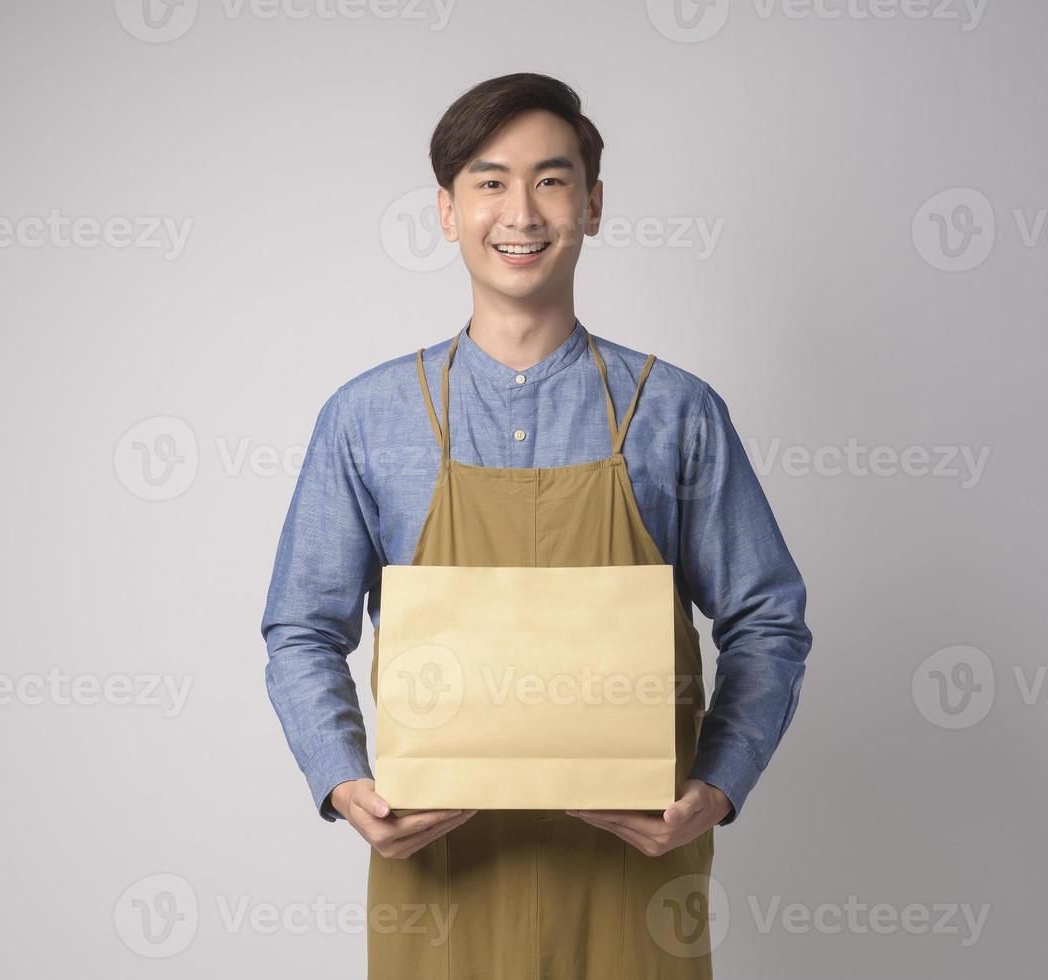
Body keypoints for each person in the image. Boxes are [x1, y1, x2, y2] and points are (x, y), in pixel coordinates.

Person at [261, 71, 813, 979]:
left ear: (592, 206)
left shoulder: (674, 411)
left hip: (635, 872)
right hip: (434, 872)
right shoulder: (367, 418)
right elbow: (300, 626)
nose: (520, 210)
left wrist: (716, 788)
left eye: (551, 180)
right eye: (489, 181)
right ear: (447, 211)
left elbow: (767, 618)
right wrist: (342, 779)